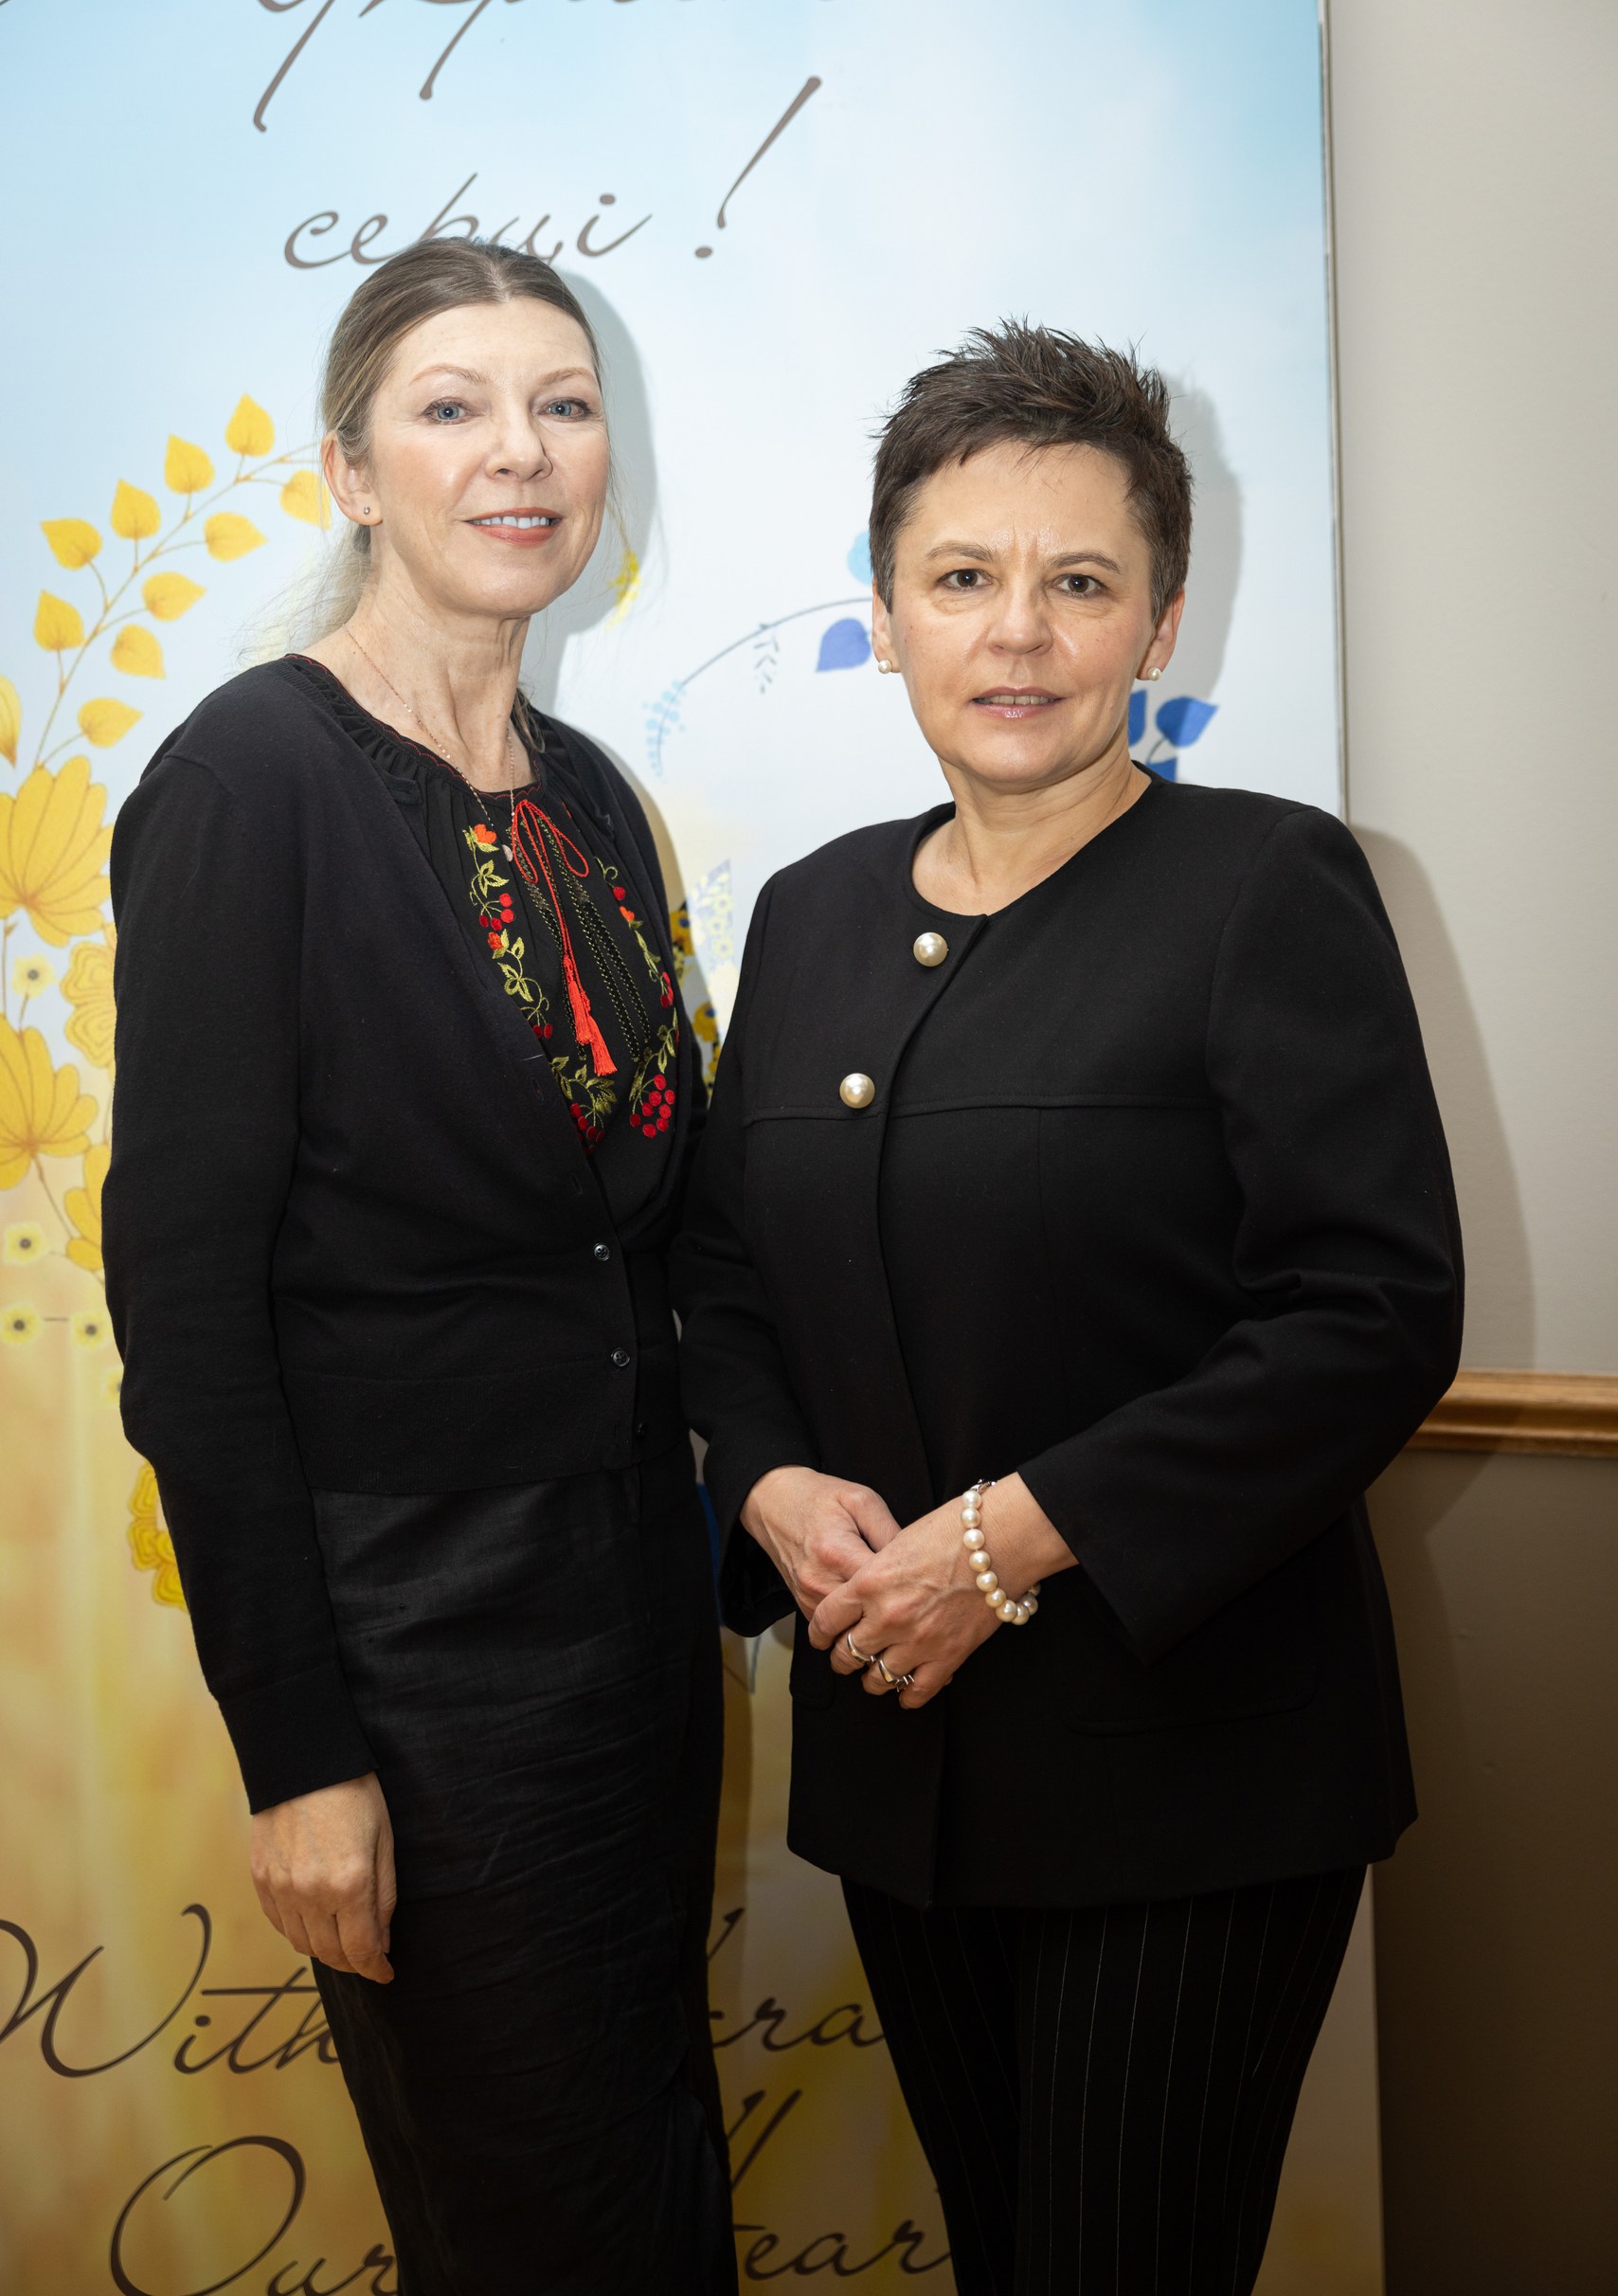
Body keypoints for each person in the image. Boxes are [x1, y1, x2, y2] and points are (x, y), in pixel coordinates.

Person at [674, 324, 1462, 2295]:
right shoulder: (811, 911)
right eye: (961, 577)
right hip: (902, 1758)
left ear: (1159, 624)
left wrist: (1005, 1544)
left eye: (1079, 581)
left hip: (1190, 1770)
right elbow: (723, 1266)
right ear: (883, 616)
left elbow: (1367, 1312)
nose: (1015, 632)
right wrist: (766, 1478)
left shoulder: (1266, 882)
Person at [104, 239, 734, 2296]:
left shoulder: (593, 802)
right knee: (538, 2222)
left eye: (563, 404)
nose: (519, 453)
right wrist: (300, 1751)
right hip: (421, 1653)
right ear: (352, 473)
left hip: (636, 1615)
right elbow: (187, 1315)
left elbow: (652, 1233)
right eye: (452, 407)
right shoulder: (249, 782)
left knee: (651, 2170)